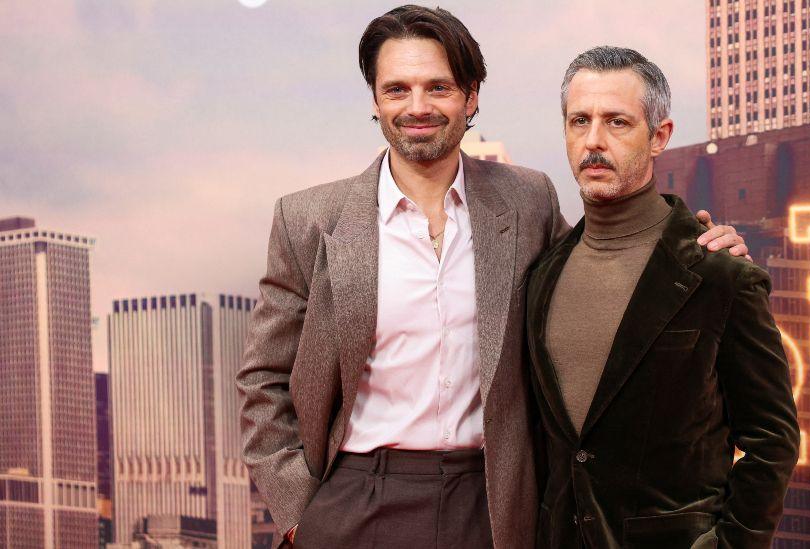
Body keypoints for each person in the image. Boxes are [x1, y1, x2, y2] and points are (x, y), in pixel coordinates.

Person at [237, 7, 749, 548]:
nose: (418, 107)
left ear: (471, 96)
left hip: (497, 499)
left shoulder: (527, 199)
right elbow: (263, 379)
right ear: (374, 99)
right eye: (397, 89)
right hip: (355, 495)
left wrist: (697, 249)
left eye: (439, 87)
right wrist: (300, 513)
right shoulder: (308, 220)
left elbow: (604, 273)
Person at [525, 46, 800, 549]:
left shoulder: (719, 273)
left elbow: (772, 442)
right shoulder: (543, 272)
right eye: (579, 120)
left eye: (617, 122)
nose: (593, 141)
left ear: (659, 137)